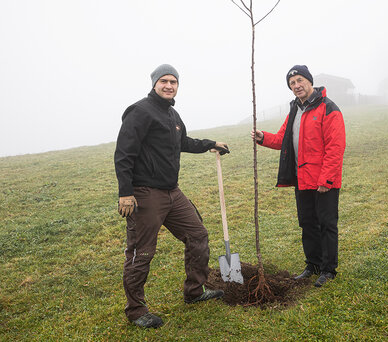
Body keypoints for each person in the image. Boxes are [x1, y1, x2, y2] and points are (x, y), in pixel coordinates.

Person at [114, 64, 229, 329]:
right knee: (141, 252)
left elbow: (183, 143)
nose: (169, 85)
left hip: (171, 192)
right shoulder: (139, 112)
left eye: (173, 82)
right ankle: (135, 310)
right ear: (154, 83)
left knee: (198, 235)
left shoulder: (172, 114)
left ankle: (194, 292)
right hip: (144, 194)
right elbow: (124, 154)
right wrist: (125, 193)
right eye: (164, 81)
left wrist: (210, 144)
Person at [251, 65, 346, 288]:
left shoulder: (328, 108)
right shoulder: (294, 110)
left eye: (300, 80)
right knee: (308, 223)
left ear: (310, 81)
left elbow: (336, 147)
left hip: (323, 181)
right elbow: (283, 139)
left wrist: (326, 180)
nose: (297, 86)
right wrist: (263, 137)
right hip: (301, 178)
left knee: (326, 224)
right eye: (292, 83)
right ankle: (312, 264)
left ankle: (328, 269)